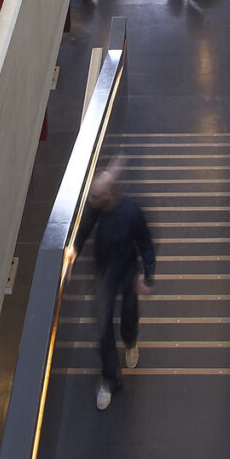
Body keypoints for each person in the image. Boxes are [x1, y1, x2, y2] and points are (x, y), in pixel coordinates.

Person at [75, 161, 156, 411]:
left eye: (95, 195)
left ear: (109, 194)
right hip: (104, 276)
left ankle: (131, 341)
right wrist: (72, 254)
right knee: (103, 324)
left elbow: (146, 244)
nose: (90, 199)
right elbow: (84, 231)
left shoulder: (131, 211)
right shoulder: (95, 209)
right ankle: (110, 378)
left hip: (128, 273)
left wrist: (147, 277)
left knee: (129, 314)